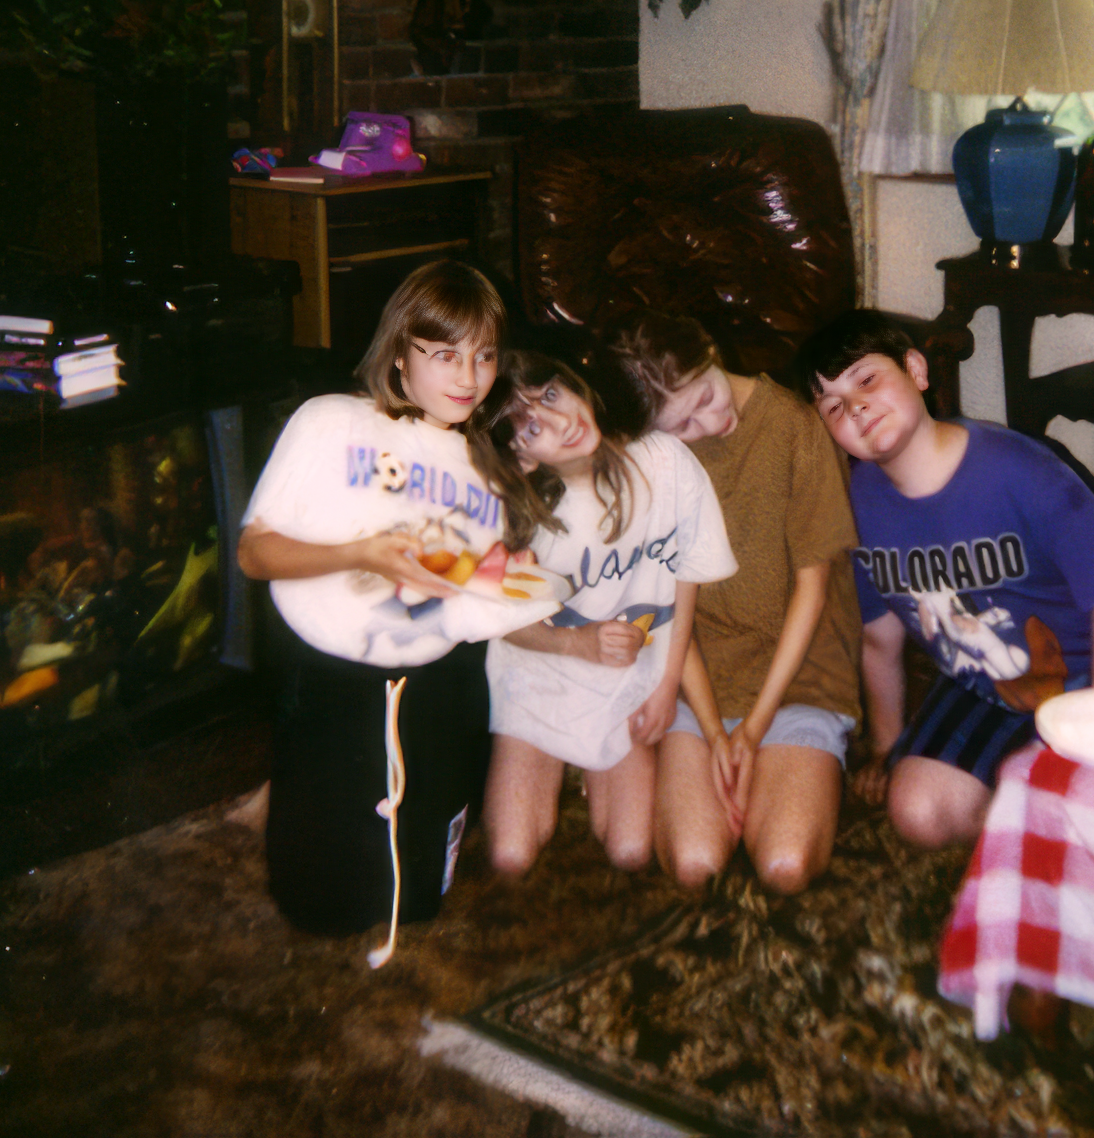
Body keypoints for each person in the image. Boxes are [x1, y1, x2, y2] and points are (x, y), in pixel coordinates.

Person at [238, 260, 554, 937]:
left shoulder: (482, 469)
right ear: (400, 356)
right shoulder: (331, 422)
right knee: (315, 906)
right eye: (445, 355)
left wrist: (503, 573)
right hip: (332, 683)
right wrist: (358, 553)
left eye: (484, 355)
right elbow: (254, 554)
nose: (469, 378)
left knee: (417, 903)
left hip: (439, 683)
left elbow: (463, 589)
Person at [796, 309, 1094, 850]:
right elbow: (879, 638)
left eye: (866, 379)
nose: (856, 406)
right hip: (991, 686)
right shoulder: (856, 505)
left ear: (915, 369)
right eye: (834, 405)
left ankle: (1057, 799)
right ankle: (1041, 804)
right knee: (916, 811)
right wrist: (888, 745)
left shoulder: (1018, 468)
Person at [610, 311, 861, 895]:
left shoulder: (795, 425)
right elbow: (671, 608)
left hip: (799, 674)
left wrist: (754, 729)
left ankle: (794, 767)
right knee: (696, 864)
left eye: (704, 395)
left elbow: (813, 590)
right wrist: (713, 730)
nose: (709, 421)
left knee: (784, 865)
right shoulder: (657, 459)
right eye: (683, 426)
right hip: (704, 673)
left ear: (709, 348)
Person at [471, 338, 736, 878]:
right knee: (510, 856)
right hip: (539, 675)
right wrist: (576, 642)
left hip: (623, 682)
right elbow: (503, 623)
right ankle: (545, 761)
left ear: (573, 383)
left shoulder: (664, 462)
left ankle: (594, 771)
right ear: (522, 458)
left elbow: (684, 582)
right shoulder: (520, 517)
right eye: (531, 426)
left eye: (551, 393)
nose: (560, 418)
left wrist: (665, 687)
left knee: (631, 851)